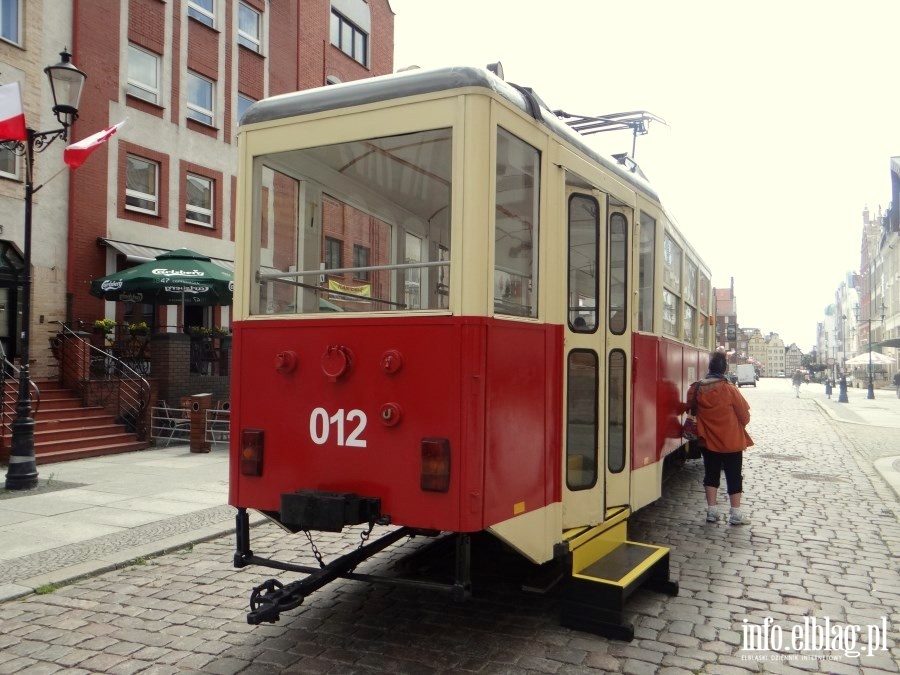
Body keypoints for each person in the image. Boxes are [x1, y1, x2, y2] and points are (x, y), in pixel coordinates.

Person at [686, 351, 754, 525]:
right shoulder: (730, 389)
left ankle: (712, 511)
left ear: (710, 367)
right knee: (734, 476)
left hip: (707, 441)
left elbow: (689, 408)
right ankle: (736, 513)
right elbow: (745, 417)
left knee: (710, 474)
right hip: (731, 442)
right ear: (724, 369)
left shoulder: (696, 388)